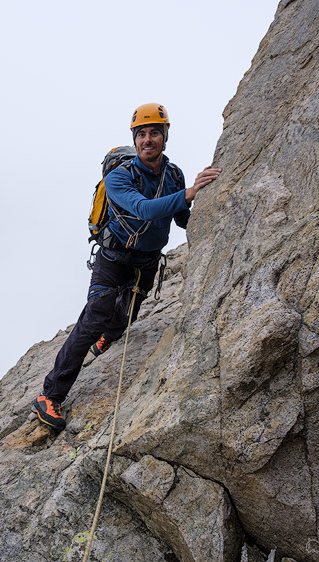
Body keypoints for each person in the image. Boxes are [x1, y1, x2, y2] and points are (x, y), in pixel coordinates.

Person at [32, 103, 222, 432]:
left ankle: (110, 335)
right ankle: (50, 395)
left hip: (146, 260)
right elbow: (144, 209)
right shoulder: (119, 176)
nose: (148, 139)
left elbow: (180, 218)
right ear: (134, 140)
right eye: (142, 134)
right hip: (114, 257)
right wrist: (190, 193)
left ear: (165, 136)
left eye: (154, 133)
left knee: (128, 314)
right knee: (95, 317)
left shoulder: (172, 174)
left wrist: (210, 224)